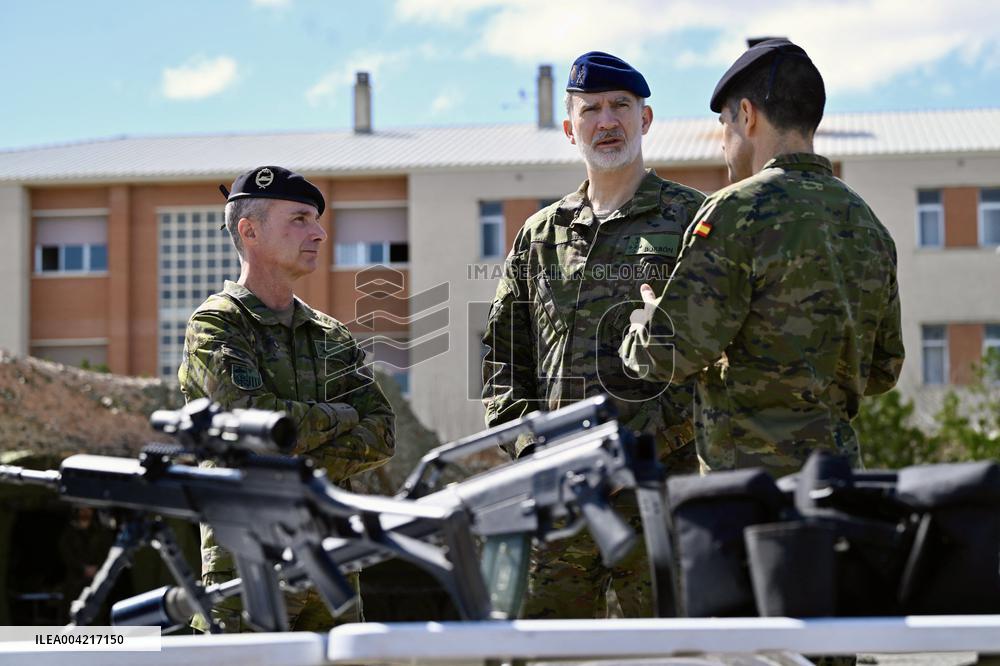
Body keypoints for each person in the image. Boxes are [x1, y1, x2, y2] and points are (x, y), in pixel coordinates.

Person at [482, 51, 705, 619]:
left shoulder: (693, 221)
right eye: (591, 110)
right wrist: (534, 450)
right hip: (558, 497)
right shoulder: (539, 235)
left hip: (659, 489)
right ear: (569, 128)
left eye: (620, 107)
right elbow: (504, 359)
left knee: (673, 654)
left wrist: (644, 446)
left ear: (645, 120)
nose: (607, 121)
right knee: (546, 651)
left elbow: (716, 353)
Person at [620, 38, 904, 478]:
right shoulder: (869, 225)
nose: (722, 142)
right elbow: (883, 370)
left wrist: (644, 322)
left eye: (723, 124)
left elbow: (669, 352)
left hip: (751, 496)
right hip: (840, 485)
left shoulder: (737, 210)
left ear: (747, 116)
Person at [179, 166, 395, 631]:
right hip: (247, 563)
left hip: (330, 558)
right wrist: (341, 415)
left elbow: (382, 431)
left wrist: (293, 446)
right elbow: (254, 428)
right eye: (299, 219)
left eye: (316, 219)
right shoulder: (217, 325)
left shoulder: (330, 334)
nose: (318, 232)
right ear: (250, 230)